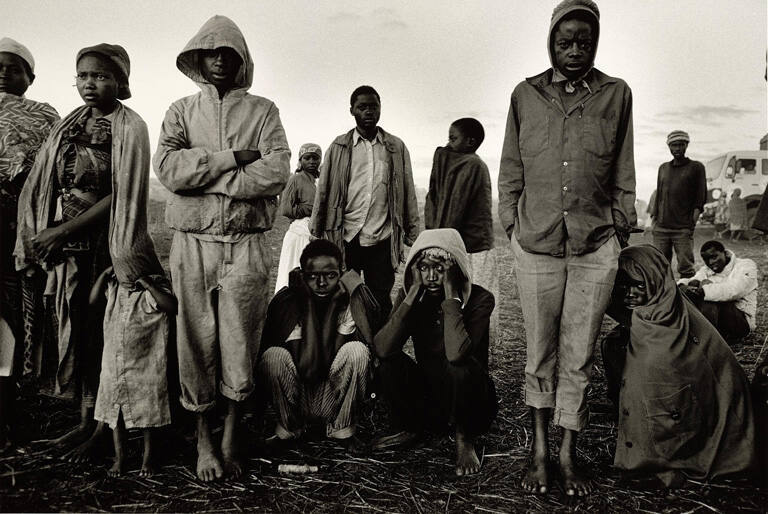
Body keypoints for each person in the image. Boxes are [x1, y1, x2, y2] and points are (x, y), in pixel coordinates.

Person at [497, 0, 636, 496]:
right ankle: (538, 452)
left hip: (596, 245)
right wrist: (512, 226)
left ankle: (566, 454)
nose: (575, 50)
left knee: (578, 355)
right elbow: (510, 167)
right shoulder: (525, 94)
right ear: (551, 41)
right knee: (539, 352)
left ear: (596, 43)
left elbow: (623, 165)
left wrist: (620, 227)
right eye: (565, 40)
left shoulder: (616, 94)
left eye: (585, 41)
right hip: (535, 244)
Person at [153, 15, 290, 481]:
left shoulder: (264, 111)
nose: (219, 60)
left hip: (246, 243)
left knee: (240, 338)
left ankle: (231, 431)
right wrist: (232, 160)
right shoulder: (179, 110)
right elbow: (170, 171)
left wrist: (209, 179)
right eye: (210, 53)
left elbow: (275, 173)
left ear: (241, 60)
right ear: (196, 58)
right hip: (192, 243)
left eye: (228, 53)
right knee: (194, 339)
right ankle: (203, 437)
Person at [15, 44, 161, 461]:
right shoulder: (70, 124)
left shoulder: (129, 127)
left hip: (103, 246)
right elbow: (49, 182)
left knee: (102, 335)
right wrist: (44, 233)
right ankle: (82, 421)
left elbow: (121, 194)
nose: (90, 84)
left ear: (120, 82)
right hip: (63, 247)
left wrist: (62, 231)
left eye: (100, 76)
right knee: (75, 331)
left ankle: (103, 426)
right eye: (82, 76)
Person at [602, 245, 755, 488]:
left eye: (640, 285)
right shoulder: (646, 315)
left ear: (656, 282)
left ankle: (667, 463)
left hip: (702, 429)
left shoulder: (676, 326)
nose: (630, 293)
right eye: (623, 286)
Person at [372, 228, 497, 476]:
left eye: (440, 269)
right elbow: (382, 348)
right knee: (388, 361)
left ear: (456, 270)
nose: (431, 276)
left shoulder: (480, 299)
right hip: (431, 395)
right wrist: (411, 296)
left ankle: (464, 437)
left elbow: (456, 354)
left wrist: (451, 294)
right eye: (424, 268)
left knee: (458, 366)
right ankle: (410, 426)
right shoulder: (412, 296)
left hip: (472, 400)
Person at [259, 239, 381, 451]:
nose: (322, 284)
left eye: (331, 276)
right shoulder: (290, 303)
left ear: (341, 274)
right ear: (302, 276)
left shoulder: (348, 305)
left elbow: (326, 365)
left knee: (357, 352)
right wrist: (307, 304)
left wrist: (334, 306)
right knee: (273, 356)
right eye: (313, 277)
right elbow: (308, 368)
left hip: (333, 395)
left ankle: (341, 429)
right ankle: (289, 429)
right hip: (298, 396)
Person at [310, 85, 420, 316]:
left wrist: (412, 233)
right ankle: (344, 347)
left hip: (382, 236)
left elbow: (407, 189)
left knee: (379, 298)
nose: (368, 111)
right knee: (341, 294)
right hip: (345, 234)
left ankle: (377, 348)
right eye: (362, 107)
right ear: (352, 110)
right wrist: (317, 229)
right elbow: (324, 190)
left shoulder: (395, 147)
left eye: (373, 106)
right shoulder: (339, 146)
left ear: (380, 108)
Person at [0, 37, 59, 452]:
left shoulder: (46, 117)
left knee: (14, 318)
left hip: (19, 229)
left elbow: (53, 171)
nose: (4, 72)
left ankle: (10, 408)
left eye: (13, 66)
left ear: (30, 77)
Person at [91, 266, 177, 477]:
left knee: (148, 412)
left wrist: (147, 282)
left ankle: (148, 457)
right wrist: (104, 274)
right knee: (115, 414)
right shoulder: (115, 287)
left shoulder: (150, 290)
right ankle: (120, 457)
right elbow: (92, 301)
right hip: (114, 364)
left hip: (145, 365)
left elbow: (172, 306)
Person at [424, 118, 497, 344]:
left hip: (472, 248)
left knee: (471, 302)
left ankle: (468, 345)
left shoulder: (473, 165)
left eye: (453, 138)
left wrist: (441, 242)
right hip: (459, 246)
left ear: (471, 142)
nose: (447, 144)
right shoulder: (456, 162)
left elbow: (456, 206)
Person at [650, 130, 706, 278]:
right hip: (661, 228)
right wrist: (654, 222)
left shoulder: (696, 167)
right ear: (669, 146)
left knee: (686, 267)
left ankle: (686, 297)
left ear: (686, 145)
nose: (677, 149)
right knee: (660, 267)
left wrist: (691, 223)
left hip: (682, 228)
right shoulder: (663, 168)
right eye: (673, 145)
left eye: (681, 145)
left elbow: (700, 198)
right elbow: (659, 195)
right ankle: (664, 297)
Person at [677, 240, 757, 343]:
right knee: (693, 284)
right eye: (706, 259)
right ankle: (697, 333)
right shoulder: (707, 270)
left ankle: (706, 339)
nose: (710, 262)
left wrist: (704, 292)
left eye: (714, 257)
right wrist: (683, 285)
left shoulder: (745, 265)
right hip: (719, 321)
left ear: (724, 253)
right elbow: (693, 280)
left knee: (706, 287)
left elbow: (734, 290)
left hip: (741, 323)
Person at [274, 143, 321, 294]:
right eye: (307, 158)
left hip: (314, 235)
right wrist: (309, 208)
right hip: (298, 233)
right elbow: (285, 209)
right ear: (301, 160)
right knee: (293, 275)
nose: (312, 161)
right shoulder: (295, 179)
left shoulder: (320, 181)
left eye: (316, 158)